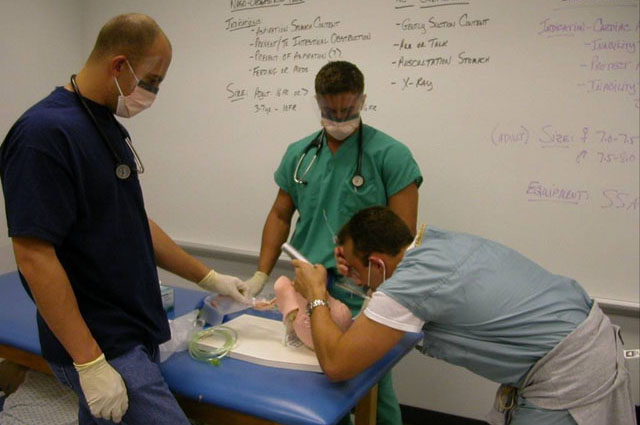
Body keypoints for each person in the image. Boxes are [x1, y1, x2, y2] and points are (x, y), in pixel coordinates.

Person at [0, 14, 248, 425]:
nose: (152, 93)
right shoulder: (42, 135)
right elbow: (33, 256)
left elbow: (133, 221)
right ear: (119, 66)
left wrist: (210, 277)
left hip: (133, 326)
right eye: (151, 81)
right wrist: (90, 362)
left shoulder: (101, 123)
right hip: (102, 341)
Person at [292, 206, 636, 425]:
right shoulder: (435, 244)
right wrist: (366, 284)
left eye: (353, 269)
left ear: (378, 263)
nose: (350, 278)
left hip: (572, 371)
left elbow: (337, 365)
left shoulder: (411, 284)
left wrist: (317, 294)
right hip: (590, 333)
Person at [244, 61, 423, 425]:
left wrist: (383, 290)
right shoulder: (301, 154)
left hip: (363, 292)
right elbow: (280, 215)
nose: (339, 118)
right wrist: (261, 274)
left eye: (348, 109)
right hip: (308, 284)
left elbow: (402, 238)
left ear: (362, 101)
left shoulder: (391, 155)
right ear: (317, 104)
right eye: (330, 111)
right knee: (316, 382)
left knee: (373, 386)